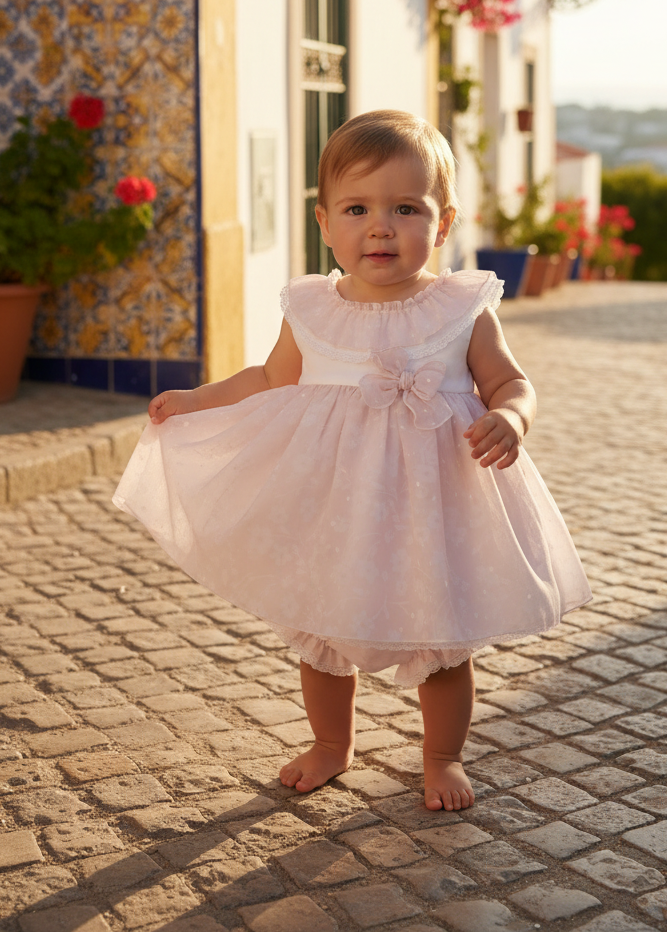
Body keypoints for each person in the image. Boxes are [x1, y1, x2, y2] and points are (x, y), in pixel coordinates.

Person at [113, 110, 591, 813]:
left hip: (434, 509)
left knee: (442, 642)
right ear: (324, 222)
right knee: (321, 633)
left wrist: (510, 416)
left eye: (406, 208)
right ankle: (332, 743)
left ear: (444, 220)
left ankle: (441, 754)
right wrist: (195, 399)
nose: (380, 227)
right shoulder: (311, 308)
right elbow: (268, 379)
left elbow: (510, 382)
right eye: (358, 208)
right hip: (336, 507)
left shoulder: (460, 308)